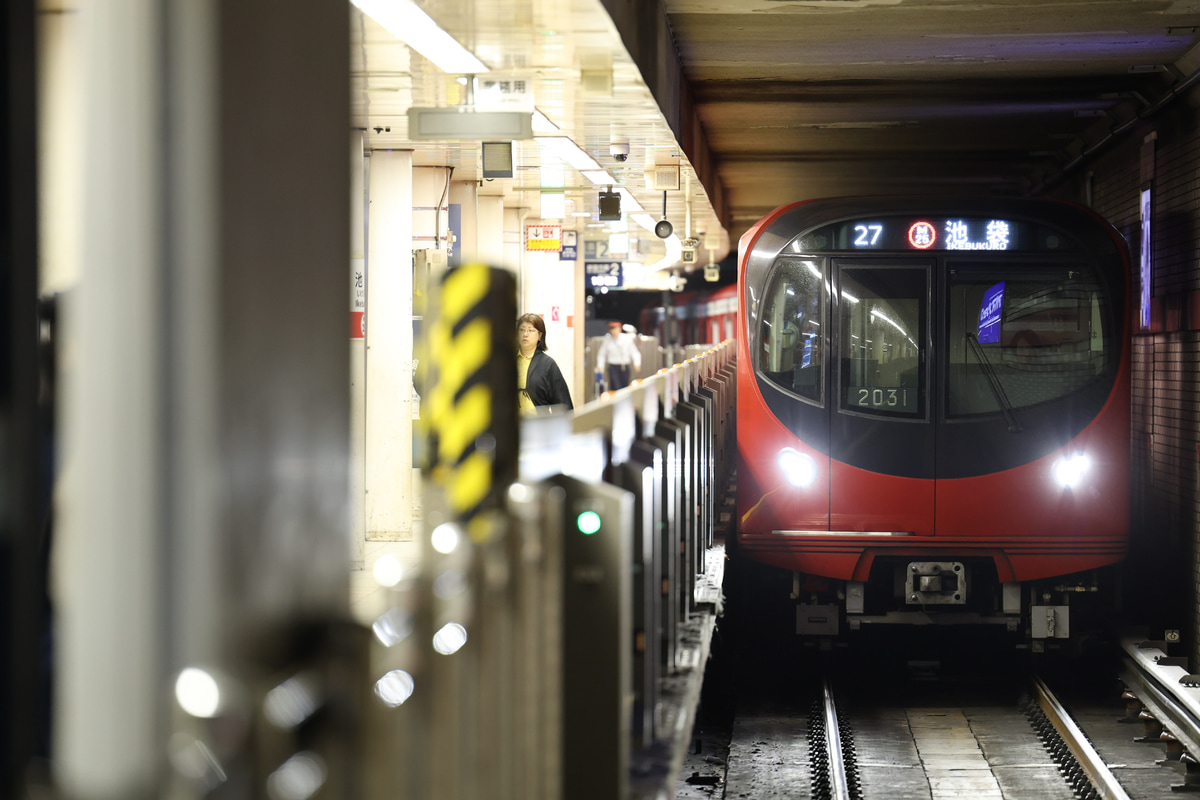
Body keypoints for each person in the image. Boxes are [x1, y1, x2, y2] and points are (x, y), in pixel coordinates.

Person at [517, 313, 573, 413]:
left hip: (539, 424)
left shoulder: (548, 364)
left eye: (530, 330)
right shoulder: (507, 362)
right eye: (522, 329)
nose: (525, 334)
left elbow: (562, 403)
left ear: (540, 335)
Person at [596, 320, 641, 391]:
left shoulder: (626, 339)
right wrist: (600, 365)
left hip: (624, 367)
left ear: (620, 329)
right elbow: (601, 354)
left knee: (625, 387)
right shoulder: (608, 340)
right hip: (613, 367)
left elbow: (634, 352)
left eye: (615, 328)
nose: (614, 331)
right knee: (616, 387)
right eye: (612, 329)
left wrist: (637, 363)